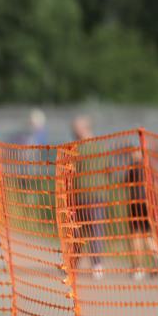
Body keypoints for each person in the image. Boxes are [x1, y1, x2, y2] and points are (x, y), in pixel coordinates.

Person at [69, 115, 105, 280]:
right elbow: (109, 170)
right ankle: (91, 265)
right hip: (92, 195)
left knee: (80, 232)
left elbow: (70, 171)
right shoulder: (100, 147)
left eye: (75, 129)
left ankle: (88, 264)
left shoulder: (77, 149)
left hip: (87, 196)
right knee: (90, 231)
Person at [124, 147, 158, 281]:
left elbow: (126, 184)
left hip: (136, 204)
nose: (131, 154)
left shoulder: (134, 167)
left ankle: (138, 267)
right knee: (147, 234)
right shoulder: (148, 166)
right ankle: (156, 259)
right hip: (148, 203)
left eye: (133, 152)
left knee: (136, 236)